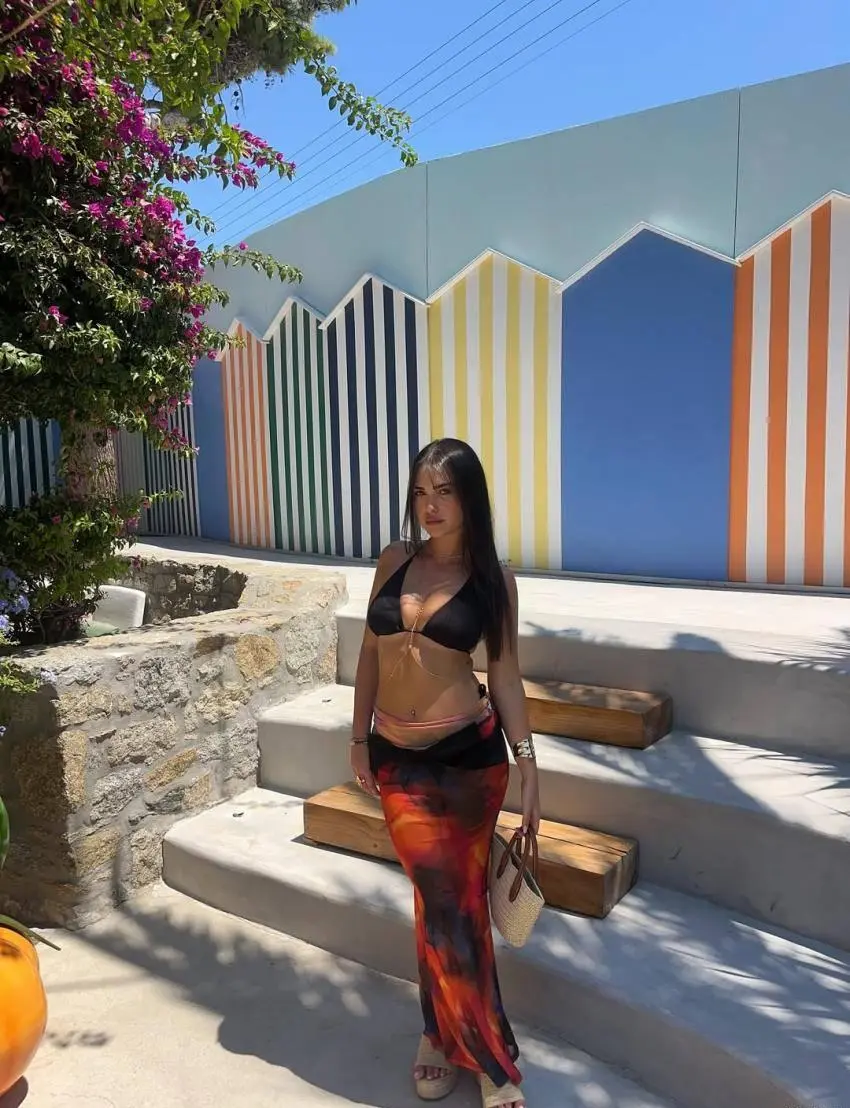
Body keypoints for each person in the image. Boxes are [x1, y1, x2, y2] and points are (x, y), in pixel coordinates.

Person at [349, 437, 541, 1108]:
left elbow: (505, 676)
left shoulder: (493, 580)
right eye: (420, 492)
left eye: (444, 492)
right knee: (442, 904)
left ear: (469, 499)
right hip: (399, 760)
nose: (429, 506)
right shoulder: (394, 560)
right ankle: (467, 1043)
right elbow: (369, 655)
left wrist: (529, 766)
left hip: (468, 762)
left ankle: (464, 1049)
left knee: (449, 909)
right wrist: (358, 737)